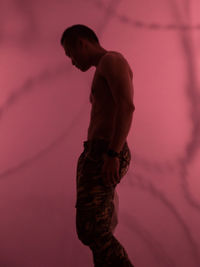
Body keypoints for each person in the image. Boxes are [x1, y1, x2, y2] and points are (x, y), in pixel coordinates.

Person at [60, 24, 135, 267]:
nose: (72, 61)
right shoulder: (102, 68)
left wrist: (113, 153)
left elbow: (126, 107)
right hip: (96, 153)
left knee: (94, 229)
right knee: (92, 229)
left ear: (81, 42)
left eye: (70, 53)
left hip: (106, 152)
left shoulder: (111, 61)